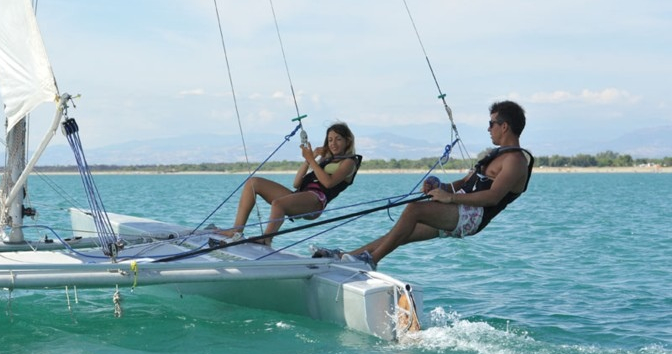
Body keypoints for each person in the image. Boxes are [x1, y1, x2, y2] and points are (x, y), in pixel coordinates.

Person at [314, 101, 533, 268]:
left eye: (491, 123)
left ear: (504, 127)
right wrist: (440, 186)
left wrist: (450, 198)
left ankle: (370, 261)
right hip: (460, 208)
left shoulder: (515, 161)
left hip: (472, 217)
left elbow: (492, 197)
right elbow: (465, 183)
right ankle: (346, 257)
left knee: (414, 210)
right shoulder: (495, 155)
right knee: (400, 233)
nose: (488, 128)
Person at [218, 122, 361, 246]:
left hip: (316, 201)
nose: (333, 144)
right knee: (253, 183)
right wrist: (310, 159)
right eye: (330, 140)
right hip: (302, 195)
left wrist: (311, 160)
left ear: (347, 141)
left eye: (338, 139)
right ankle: (236, 230)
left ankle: (266, 239)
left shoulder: (349, 162)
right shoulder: (326, 161)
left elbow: (328, 183)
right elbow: (296, 182)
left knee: (278, 204)